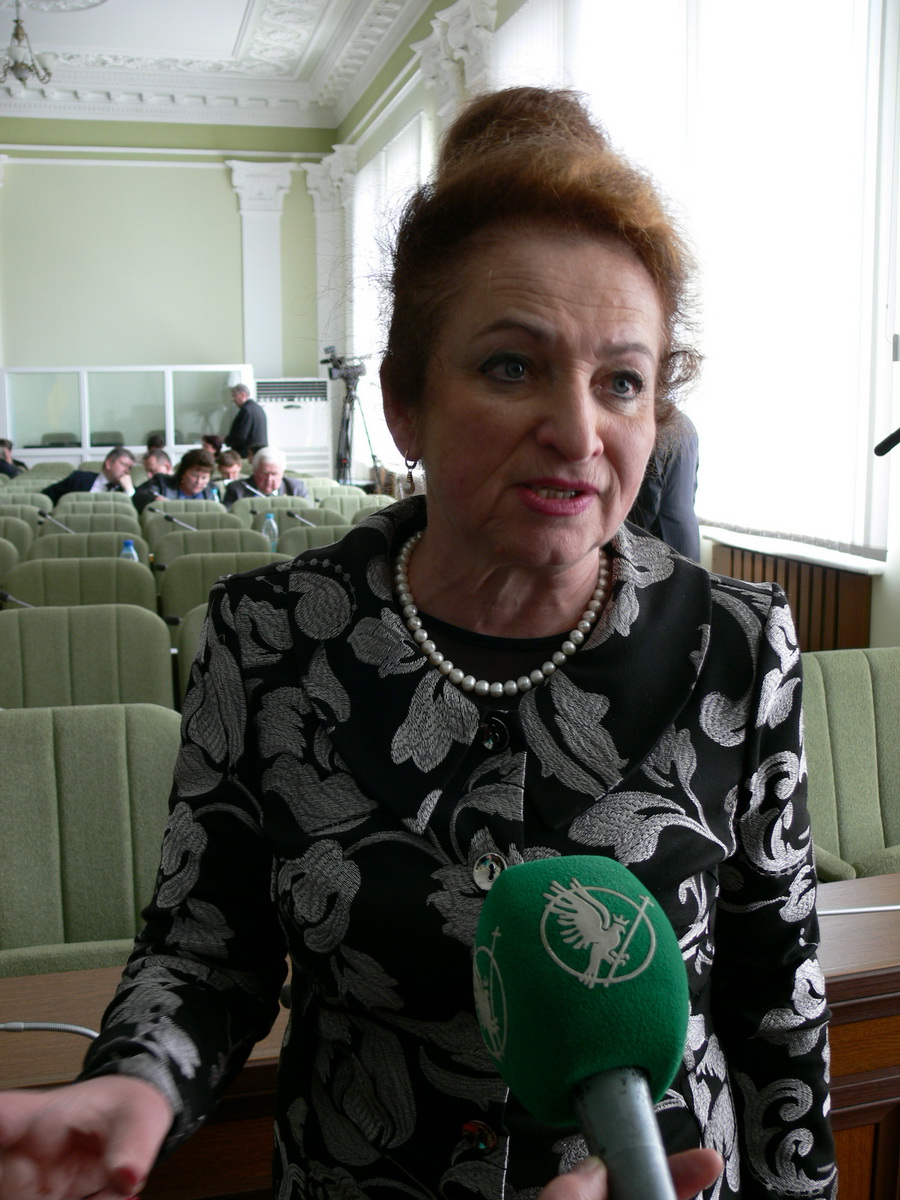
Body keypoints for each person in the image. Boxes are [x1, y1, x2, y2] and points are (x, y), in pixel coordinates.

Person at [0, 88, 834, 1200]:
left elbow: (779, 1003)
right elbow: (204, 950)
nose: (577, 431)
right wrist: (140, 1080)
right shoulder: (269, 637)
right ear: (404, 402)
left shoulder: (735, 644)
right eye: (511, 366)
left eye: (622, 382)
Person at [628, 413, 701, 560]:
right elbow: (692, 484)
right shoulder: (687, 424)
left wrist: (629, 537)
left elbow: (651, 493)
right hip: (688, 534)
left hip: (661, 535)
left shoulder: (660, 426)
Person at [132, 448, 218, 513]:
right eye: (194, 476)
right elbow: (139, 496)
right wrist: (155, 499)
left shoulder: (212, 491)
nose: (199, 482)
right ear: (182, 473)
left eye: (204, 478)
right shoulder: (161, 483)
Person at [41, 446, 136, 503]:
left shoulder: (128, 489)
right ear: (108, 464)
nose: (127, 471)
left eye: (130, 468)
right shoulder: (79, 478)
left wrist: (129, 491)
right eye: (124, 465)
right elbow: (46, 496)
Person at [221, 446, 309, 507]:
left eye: (274, 474)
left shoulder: (297, 489)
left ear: (282, 473)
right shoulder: (236, 490)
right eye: (264, 473)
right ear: (254, 471)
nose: (269, 479)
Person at [224, 383, 267, 458]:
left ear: (242, 395)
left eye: (234, 396)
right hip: (257, 453)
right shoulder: (257, 408)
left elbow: (240, 436)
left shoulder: (246, 410)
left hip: (247, 454)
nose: (233, 399)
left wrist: (226, 440)